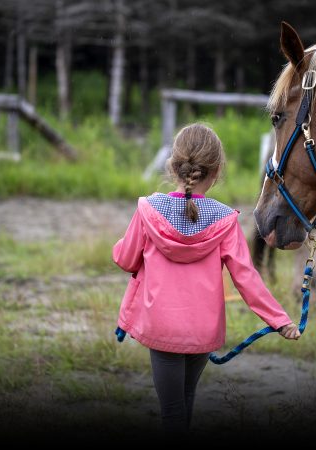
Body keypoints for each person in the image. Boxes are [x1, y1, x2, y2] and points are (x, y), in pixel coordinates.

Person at [112, 123, 300, 436]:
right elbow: (247, 278)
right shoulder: (226, 220)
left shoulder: (148, 210)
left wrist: (124, 244)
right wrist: (280, 320)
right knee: (186, 401)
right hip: (201, 331)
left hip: (161, 327)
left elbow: (125, 259)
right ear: (215, 173)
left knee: (171, 410)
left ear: (173, 167)